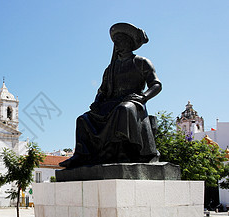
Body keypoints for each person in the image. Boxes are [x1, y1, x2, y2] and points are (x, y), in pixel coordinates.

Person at [60, 23, 162, 169]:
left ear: (129, 42)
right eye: (115, 42)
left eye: (120, 40)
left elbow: (156, 85)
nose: (117, 44)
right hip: (110, 104)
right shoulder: (110, 69)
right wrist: (97, 101)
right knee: (83, 119)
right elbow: (102, 91)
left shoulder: (141, 62)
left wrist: (143, 97)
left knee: (124, 110)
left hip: (132, 102)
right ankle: (81, 155)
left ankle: (124, 152)